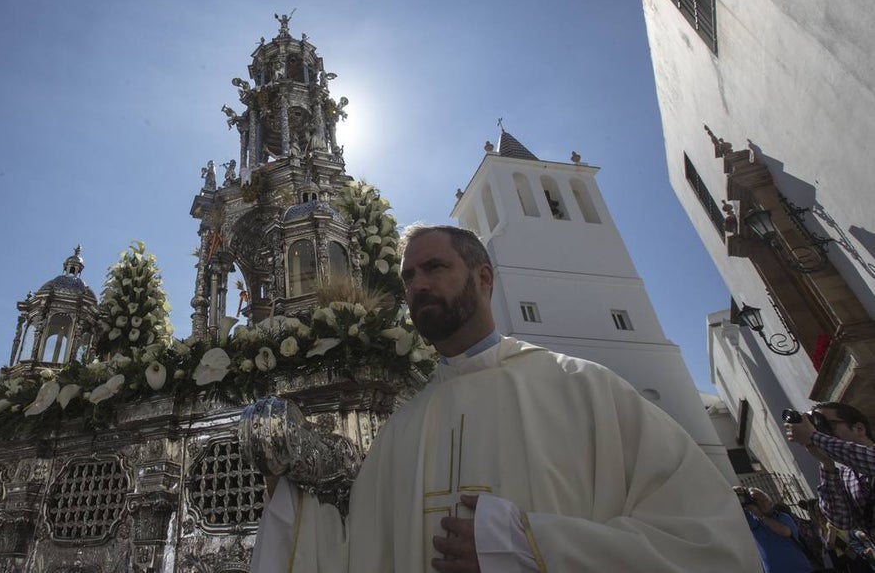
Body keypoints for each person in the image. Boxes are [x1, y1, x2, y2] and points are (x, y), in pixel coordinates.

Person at [251, 224, 760, 572]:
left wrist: (530, 547)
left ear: (484, 278)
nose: (418, 286)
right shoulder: (401, 429)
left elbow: (707, 541)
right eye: (408, 278)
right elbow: (356, 557)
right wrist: (288, 508)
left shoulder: (583, 388)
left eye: (434, 269)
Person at [787, 402, 875, 564]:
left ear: (859, 429)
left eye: (826, 425)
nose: (822, 432)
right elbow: (842, 520)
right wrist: (825, 463)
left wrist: (814, 436)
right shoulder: (845, 476)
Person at [736, 486, 813, 573]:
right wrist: (737, 491)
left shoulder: (782, 517)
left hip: (799, 568)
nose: (764, 503)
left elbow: (786, 532)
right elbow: (728, 504)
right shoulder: (752, 520)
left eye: (764, 499)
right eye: (757, 501)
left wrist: (760, 516)